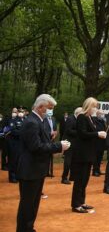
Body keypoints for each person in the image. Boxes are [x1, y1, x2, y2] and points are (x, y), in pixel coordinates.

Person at [16, 94, 70, 232]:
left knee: (33, 204)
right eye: (49, 108)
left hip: (37, 168)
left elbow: (43, 143)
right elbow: (36, 147)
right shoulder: (31, 122)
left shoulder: (40, 121)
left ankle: (29, 228)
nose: (50, 111)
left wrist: (56, 143)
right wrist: (59, 146)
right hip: (30, 169)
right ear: (40, 107)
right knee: (27, 205)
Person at [71, 97, 106, 213]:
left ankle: (82, 201)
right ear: (89, 106)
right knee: (79, 179)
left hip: (89, 152)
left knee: (85, 179)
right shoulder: (82, 117)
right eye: (94, 106)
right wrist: (97, 134)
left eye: (96, 106)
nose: (96, 109)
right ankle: (76, 204)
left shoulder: (90, 118)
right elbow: (82, 134)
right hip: (82, 153)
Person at [61, 107, 82, 184]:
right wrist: (79, 132)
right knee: (68, 161)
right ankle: (64, 178)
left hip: (76, 143)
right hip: (69, 143)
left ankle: (72, 176)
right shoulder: (70, 119)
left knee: (74, 161)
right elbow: (68, 130)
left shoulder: (78, 119)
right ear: (77, 113)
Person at [7, 109, 25, 183]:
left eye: (22, 112)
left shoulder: (24, 120)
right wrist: (23, 133)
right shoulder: (13, 120)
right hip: (14, 143)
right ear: (17, 112)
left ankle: (18, 176)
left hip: (21, 143)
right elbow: (13, 131)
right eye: (20, 111)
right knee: (13, 160)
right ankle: (12, 177)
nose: (21, 113)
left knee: (19, 160)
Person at [92, 110, 107, 177]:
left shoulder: (103, 121)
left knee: (100, 157)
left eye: (103, 114)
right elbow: (95, 130)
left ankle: (98, 170)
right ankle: (94, 171)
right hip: (96, 141)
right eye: (101, 114)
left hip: (102, 141)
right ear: (97, 114)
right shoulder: (94, 120)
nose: (102, 115)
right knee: (96, 157)